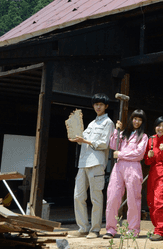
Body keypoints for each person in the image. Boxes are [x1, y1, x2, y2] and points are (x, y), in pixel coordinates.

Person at [68, 93, 114, 239]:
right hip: (83, 163)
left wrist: (85, 141)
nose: (98, 106)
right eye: (95, 104)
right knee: (78, 196)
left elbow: (104, 144)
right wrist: (76, 134)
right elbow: (82, 139)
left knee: (96, 197)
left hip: (97, 163)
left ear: (106, 106)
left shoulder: (108, 123)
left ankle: (95, 229)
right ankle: (83, 228)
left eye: (100, 104)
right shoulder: (91, 123)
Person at [103, 109, 149, 239]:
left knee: (133, 199)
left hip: (133, 169)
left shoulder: (143, 136)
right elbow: (113, 145)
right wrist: (116, 131)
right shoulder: (123, 133)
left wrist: (121, 154)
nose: (137, 121)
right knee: (112, 196)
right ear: (131, 119)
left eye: (140, 119)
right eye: (135, 118)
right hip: (118, 167)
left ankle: (133, 230)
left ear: (142, 122)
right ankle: (110, 229)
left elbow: (139, 154)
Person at [144, 116, 163, 241]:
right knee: (151, 201)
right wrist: (149, 157)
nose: (160, 128)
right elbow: (147, 161)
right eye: (158, 125)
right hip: (153, 174)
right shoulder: (151, 139)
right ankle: (157, 228)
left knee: (160, 202)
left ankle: (161, 231)